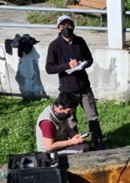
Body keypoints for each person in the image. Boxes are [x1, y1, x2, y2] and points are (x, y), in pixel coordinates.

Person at [45, 15, 106, 150]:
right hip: (68, 89)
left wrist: (82, 65)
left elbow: (89, 59)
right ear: (58, 28)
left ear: (73, 27)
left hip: (84, 87)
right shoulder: (54, 46)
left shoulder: (80, 41)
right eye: (63, 26)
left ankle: (98, 142)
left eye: (69, 26)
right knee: (71, 121)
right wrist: (67, 66)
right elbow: (49, 68)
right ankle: (78, 144)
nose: (67, 29)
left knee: (93, 116)